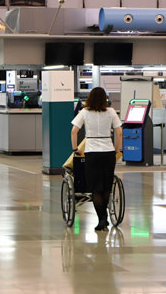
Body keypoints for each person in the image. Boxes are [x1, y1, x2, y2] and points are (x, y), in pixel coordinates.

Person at [70, 87, 122, 231]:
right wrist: (116, 149)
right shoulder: (111, 112)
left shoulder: (84, 112)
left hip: (92, 152)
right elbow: (119, 132)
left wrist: (75, 149)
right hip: (108, 152)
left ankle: (102, 219)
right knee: (106, 187)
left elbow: (74, 131)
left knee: (96, 188)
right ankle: (104, 218)